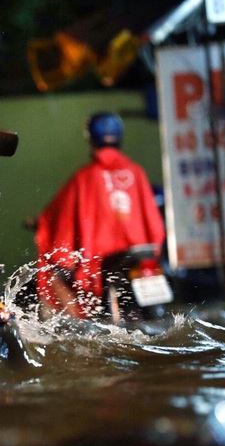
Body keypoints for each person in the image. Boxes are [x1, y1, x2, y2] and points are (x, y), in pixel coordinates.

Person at [34, 111, 165, 319]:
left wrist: (42, 223)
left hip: (103, 258)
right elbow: (153, 221)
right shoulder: (136, 172)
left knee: (54, 274)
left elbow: (61, 217)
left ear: (91, 139)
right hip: (142, 252)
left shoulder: (84, 178)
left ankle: (80, 327)